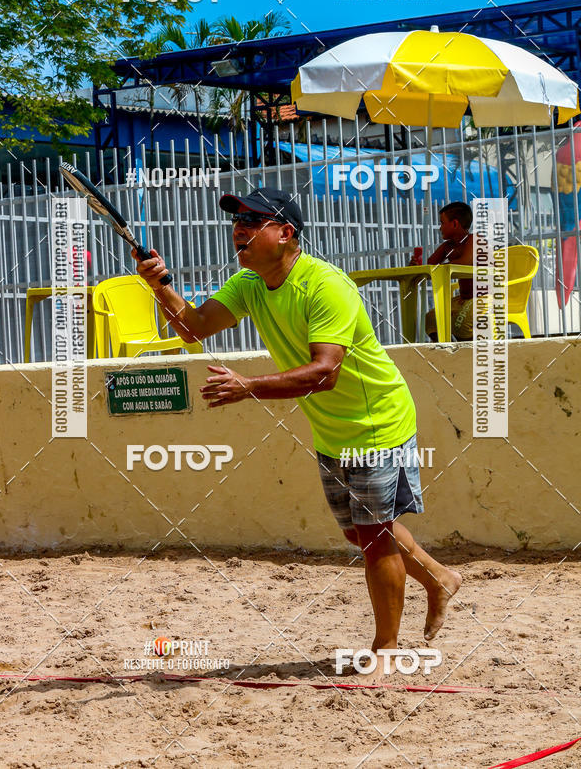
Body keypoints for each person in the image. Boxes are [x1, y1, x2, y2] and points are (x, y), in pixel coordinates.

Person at [133, 187, 462, 680]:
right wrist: (160, 286)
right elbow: (195, 327)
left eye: (252, 221)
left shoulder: (324, 285)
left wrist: (248, 387)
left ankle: (387, 649)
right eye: (237, 222)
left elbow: (324, 371)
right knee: (360, 533)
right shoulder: (248, 283)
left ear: (286, 233)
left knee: (374, 538)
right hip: (331, 428)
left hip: (377, 422)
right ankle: (439, 577)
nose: (239, 229)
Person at [410, 201, 478, 342]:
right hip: (463, 299)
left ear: (454, 224)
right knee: (430, 319)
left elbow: (465, 263)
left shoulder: (475, 240)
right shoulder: (448, 246)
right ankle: (446, 350)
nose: (440, 228)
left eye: (442, 223)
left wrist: (435, 268)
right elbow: (429, 268)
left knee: (461, 324)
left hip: (484, 298)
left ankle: (468, 353)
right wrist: (416, 266)